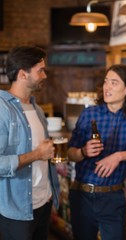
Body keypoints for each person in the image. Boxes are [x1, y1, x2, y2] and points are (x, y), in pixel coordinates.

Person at [67, 64, 126, 240]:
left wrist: (119, 156)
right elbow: (70, 153)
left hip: (112, 196)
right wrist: (83, 151)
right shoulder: (90, 113)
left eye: (114, 83)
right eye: (106, 82)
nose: (107, 87)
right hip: (82, 194)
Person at [0, 46, 60, 240]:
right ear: (23, 74)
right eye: (40, 70)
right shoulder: (3, 110)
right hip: (16, 209)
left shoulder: (37, 109)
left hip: (43, 202)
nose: (44, 75)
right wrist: (37, 155)